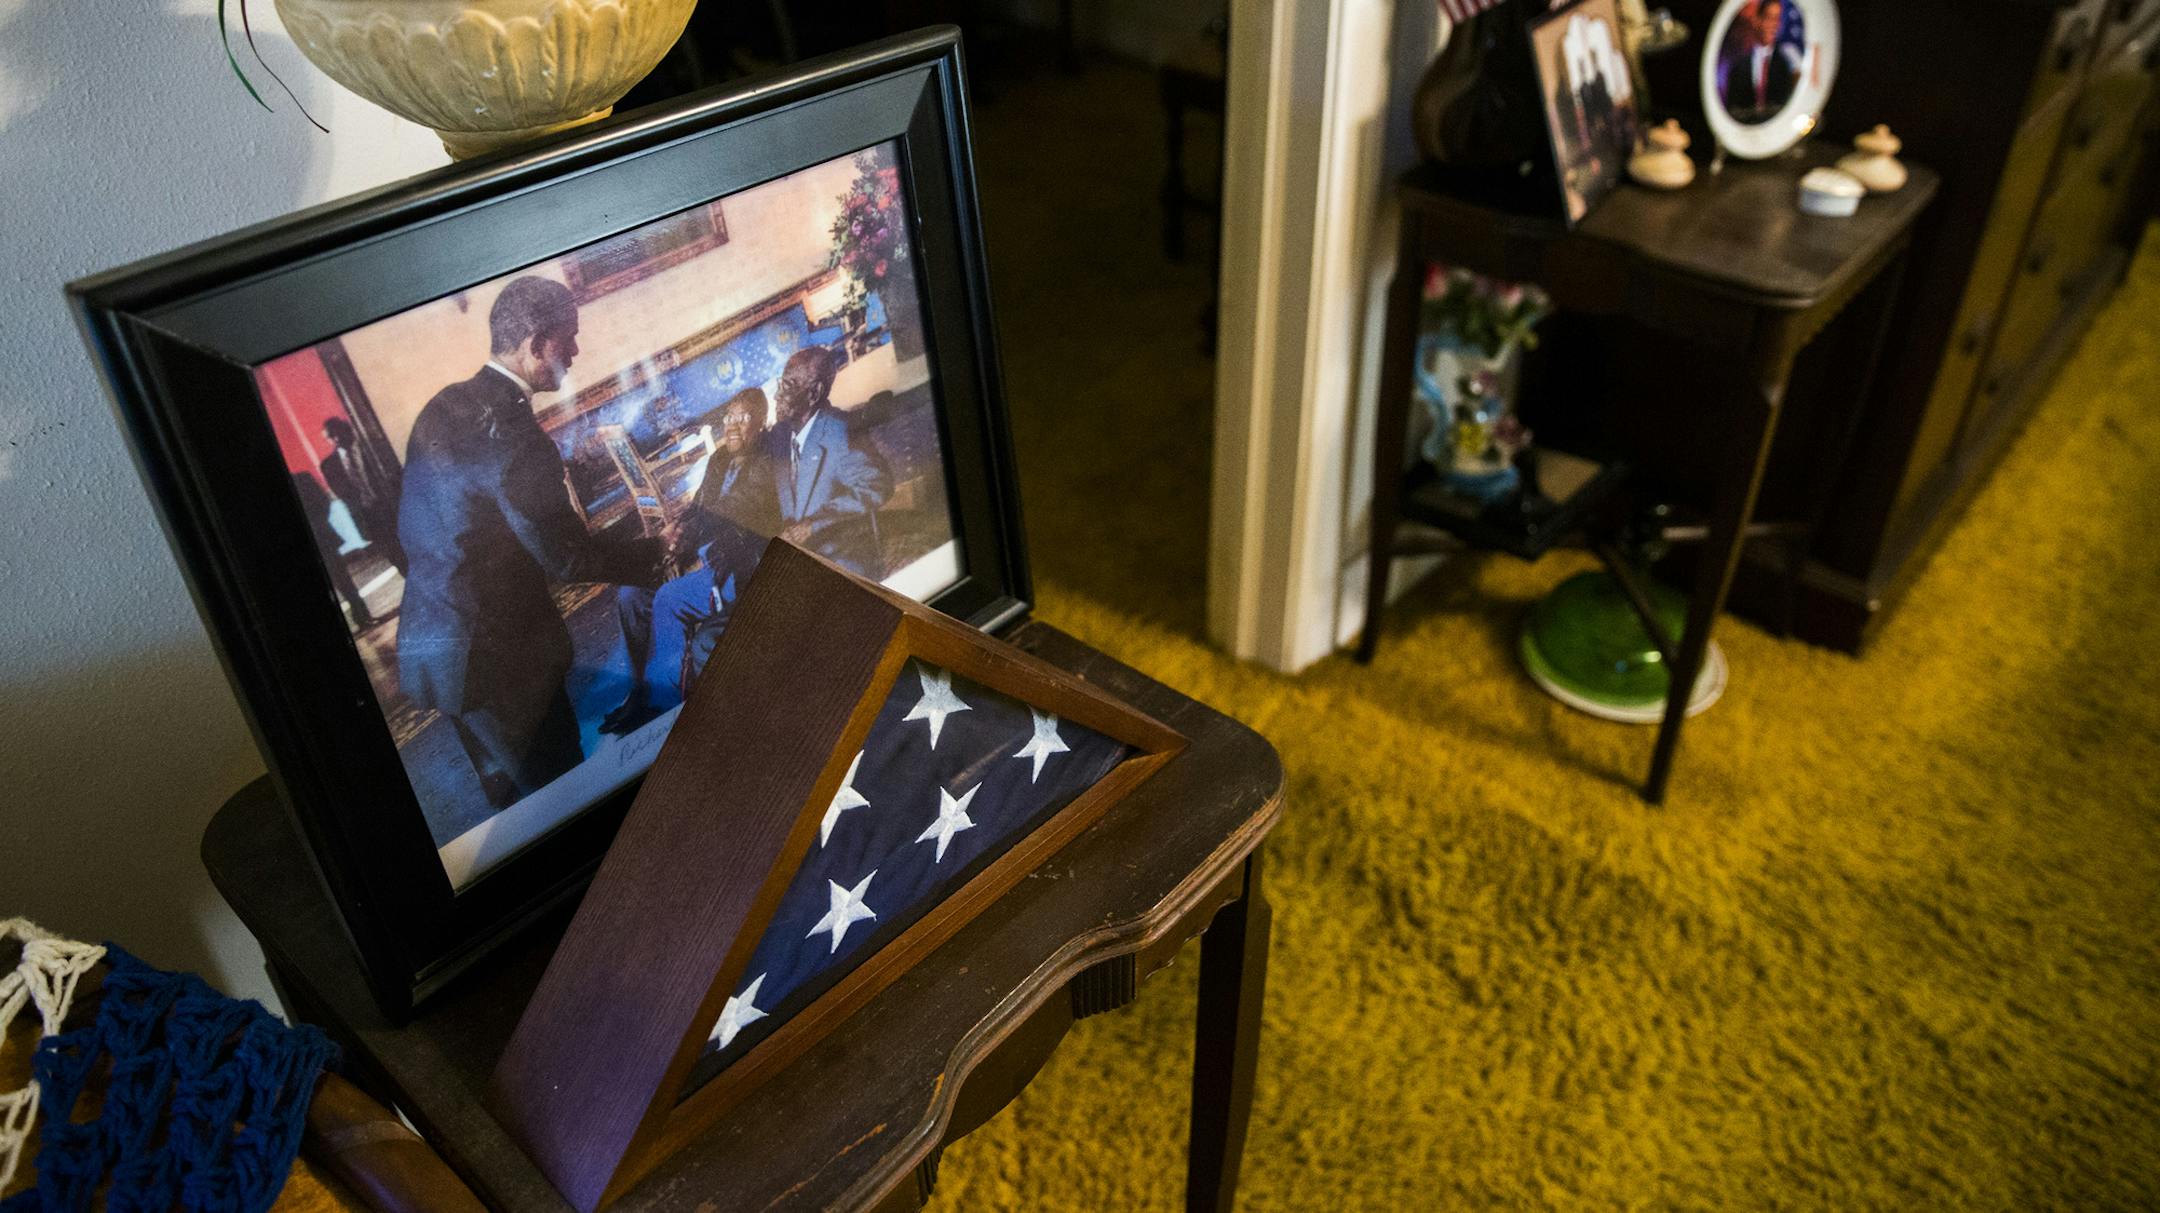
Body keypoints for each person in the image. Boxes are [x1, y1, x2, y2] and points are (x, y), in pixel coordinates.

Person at [396, 276, 666, 809]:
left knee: (511, 804)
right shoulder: (518, 437)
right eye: (568, 338)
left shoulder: (446, 405)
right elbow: (565, 558)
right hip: (504, 665)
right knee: (563, 798)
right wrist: (653, 550)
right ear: (537, 344)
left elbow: (467, 510)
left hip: (438, 647)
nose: (575, 351)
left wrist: (567, 472)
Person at [600, 387, 781, 733]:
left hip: (736, 569)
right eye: (729, 416)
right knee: (630, 596)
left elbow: (734, 513)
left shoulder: (765, 466)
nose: (732, 425)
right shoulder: (718, 461)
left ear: (761, 424)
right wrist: (678, 533)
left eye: (744, 419)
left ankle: (665, 705)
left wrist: (694, 539)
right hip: (699, 561)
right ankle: (639, 693)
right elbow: (699, 507)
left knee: (669, 599)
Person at [766, 344, 891, 575]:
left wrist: (813, 525)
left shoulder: (841, 433)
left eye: (787, 387)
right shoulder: (781, 436)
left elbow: (877, 485)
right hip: (799, 563)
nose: (776, 396)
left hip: (841, 560)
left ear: (814, 393)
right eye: (779, 385)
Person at [318, 415, 405, 573]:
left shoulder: (371, 448)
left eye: (338, 433)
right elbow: (344, 496)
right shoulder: (329, 466)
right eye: (332, 437)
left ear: (347, 430)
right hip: (369, 517)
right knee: (395, 557)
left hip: (392, 508)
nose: (337, 439)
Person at [291, 471, 375, 630]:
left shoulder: (303, 478)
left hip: (322, 538)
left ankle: (361, 615)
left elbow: (324, 502)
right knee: (343, 579)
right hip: (323, 537)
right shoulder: (303, 478)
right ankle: (362, 615)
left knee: (342, 579)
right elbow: (324, 502)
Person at [1718, 0, 1801, 124]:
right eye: (1769, 18)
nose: (1773, 25)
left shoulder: (1785, 64)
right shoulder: (1739, 64)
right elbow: (1732, 108)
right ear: (1758, 20)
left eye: (1776, 19)